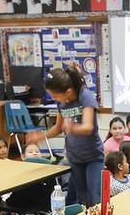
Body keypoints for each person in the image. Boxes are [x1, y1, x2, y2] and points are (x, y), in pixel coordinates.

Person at [36, 67, 104, 206]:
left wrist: (72, 127)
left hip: (93, 157)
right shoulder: (61, 103)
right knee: (81, 199)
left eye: (55, 96)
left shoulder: (84, 96)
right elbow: (58, 128)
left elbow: (88, 127)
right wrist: (41, 136)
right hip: (74, 157)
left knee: (95, 198)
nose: (54, 99)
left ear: (67, 91)